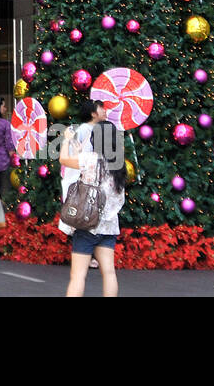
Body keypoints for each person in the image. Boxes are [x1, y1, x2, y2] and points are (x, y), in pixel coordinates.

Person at [58, 100, 125, 297]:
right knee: (109, 272)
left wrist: (66, 140)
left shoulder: (90, 160)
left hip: (87, 223)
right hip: (109, 225)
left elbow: (63, 160)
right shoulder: (119, 166)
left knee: (78, 276)